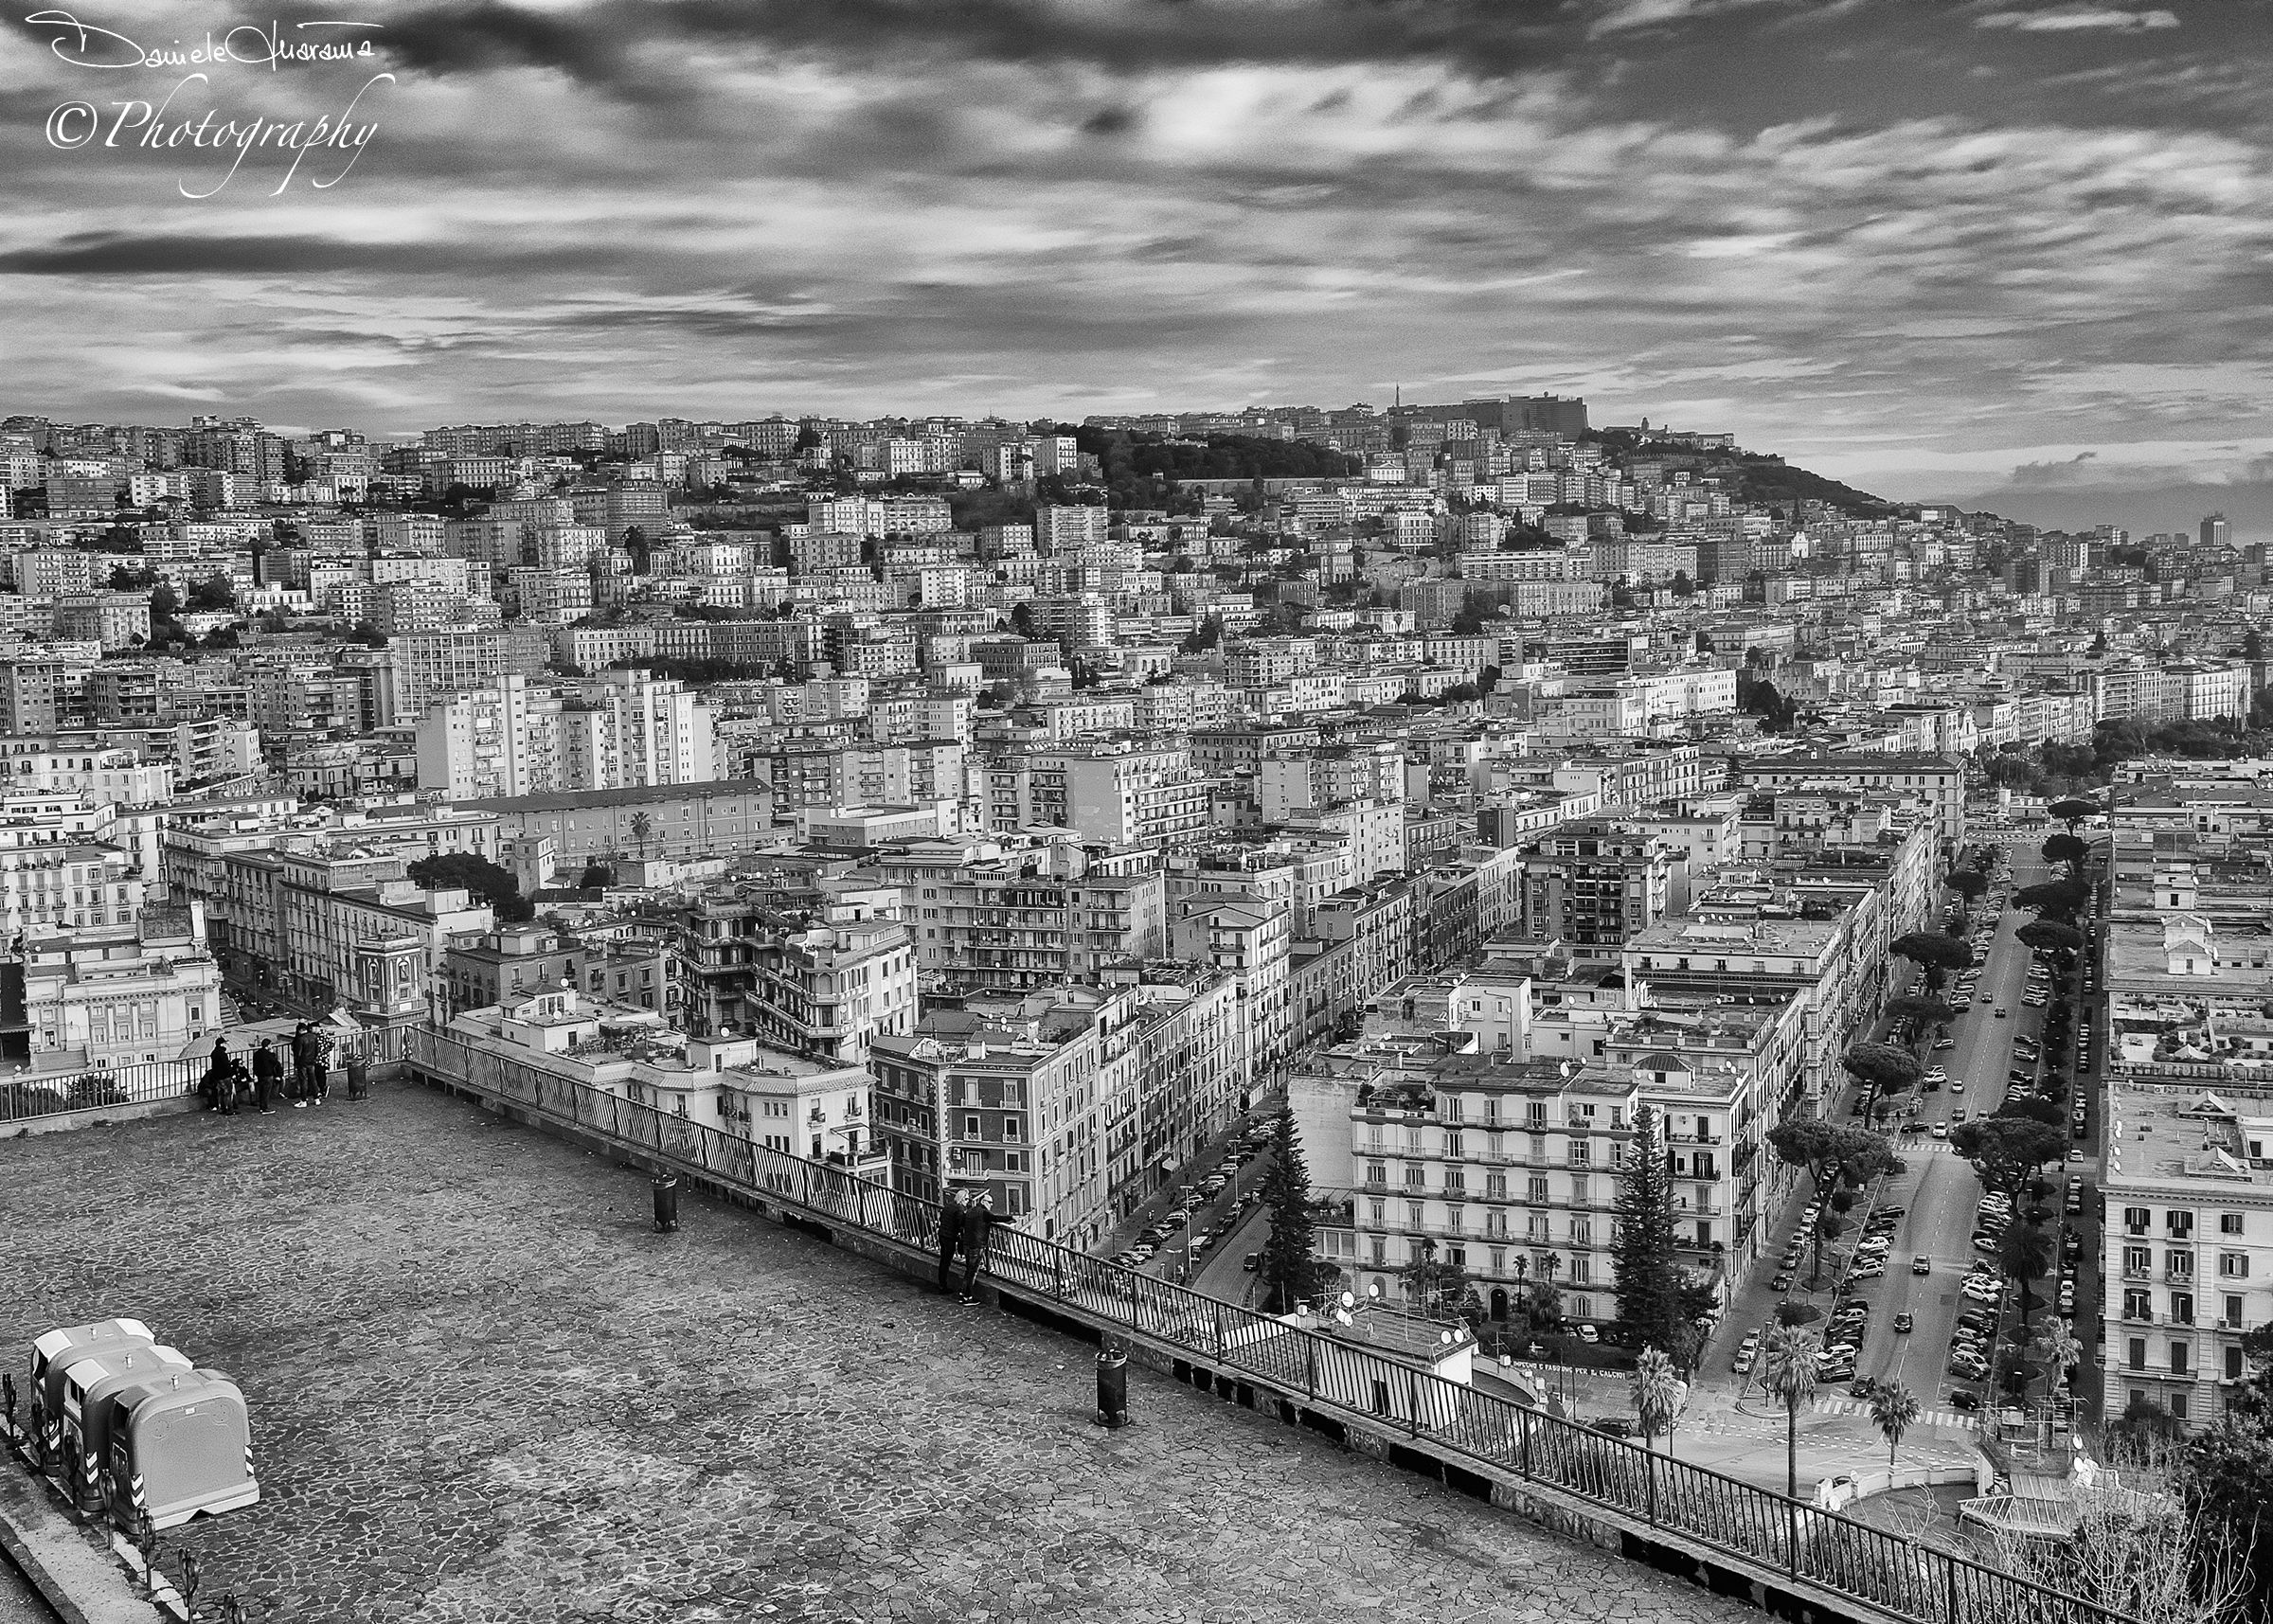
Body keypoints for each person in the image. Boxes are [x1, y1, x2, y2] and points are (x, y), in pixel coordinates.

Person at [958, 1191, 999, 1304]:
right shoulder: (983, 1213)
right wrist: (1010, 1218)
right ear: (984, 1202)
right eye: (990, 1202)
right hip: (976, 1245)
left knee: (968, 1270)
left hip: (967, 1244)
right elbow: (996, 1218)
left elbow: (962, 1224)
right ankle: (968, 1297)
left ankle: (963, 1292)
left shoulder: (970, 1211)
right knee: (972, 1272)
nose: (991, 1205)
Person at [934, 1187, 967, 1295]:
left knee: (943, 1260)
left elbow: (941, 1219)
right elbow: (960, 1224)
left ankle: (941, 1284)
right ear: (962, 1199)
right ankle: (943, 1286)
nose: (967, 1201)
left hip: (942, 1235)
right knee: (946, 1261)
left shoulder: (948, 1206)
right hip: (949, 1238)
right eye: (966, 1199)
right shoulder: (960, 1209)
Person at [251, 1041, 283, 1116]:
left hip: (260, 1074)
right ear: (268, 1045)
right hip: (267, 1075)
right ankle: (264, 1108)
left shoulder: (257, 1054)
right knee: (266, 1092)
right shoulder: (268, 1054)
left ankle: (262, 1107)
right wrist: (272, 1053)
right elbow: (275, 1062)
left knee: (261, 1090)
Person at [200, 1040, 233, 1113]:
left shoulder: (214, 1053)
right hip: (224, 1076)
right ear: (221, 1044)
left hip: (218, 1076)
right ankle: (229, 1109)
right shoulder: (222, 1053)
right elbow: (225, 1065)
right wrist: (230, 1073)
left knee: (221, 1093)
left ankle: (222, 1109)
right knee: (227, 1093)